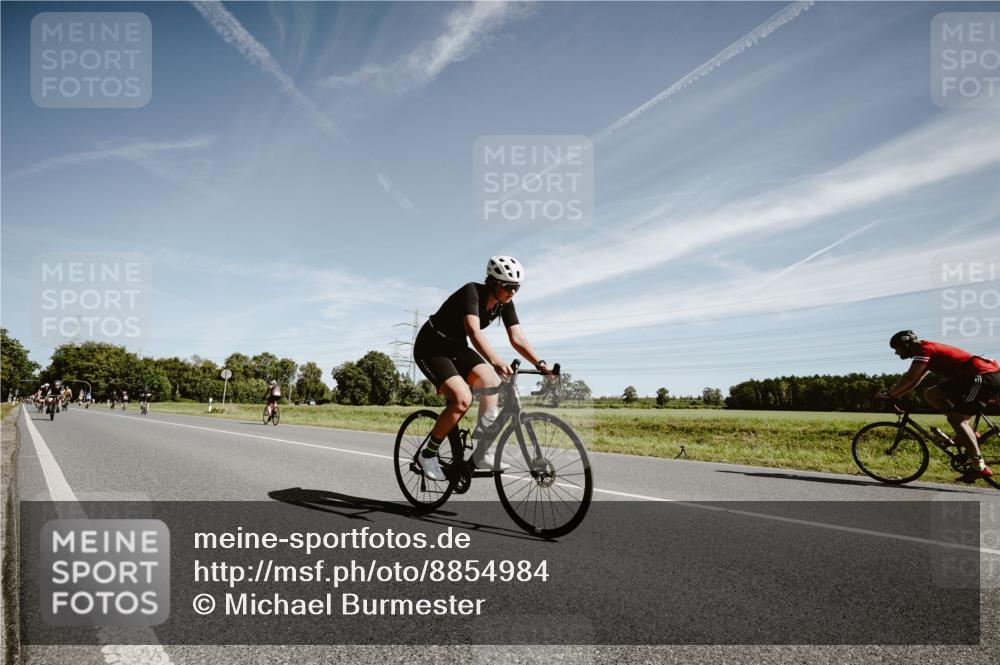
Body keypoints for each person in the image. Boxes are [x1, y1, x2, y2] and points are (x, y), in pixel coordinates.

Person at [413, 256, 552, 481]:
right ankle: (428, 454)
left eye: (516, 287)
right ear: (493, 282)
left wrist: (540, 363)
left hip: (457, 347)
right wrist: (496, 361)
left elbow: (517, 337)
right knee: (462, 399)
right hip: (431, 346)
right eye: (508, 286)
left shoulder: (505, 303)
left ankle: (482, 451)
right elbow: (473, 331)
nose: (512, 292)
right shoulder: (472, 292)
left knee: (492, 383)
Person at [882, 330, 1000, 483]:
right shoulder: (927, 350)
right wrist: (894, 396)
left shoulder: (925, 349)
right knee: (932, 394)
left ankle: (978, 465)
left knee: (958, 420)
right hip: (971, 377)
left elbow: (910, 377)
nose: (896, 353)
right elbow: (915, 380)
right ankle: (968, 434)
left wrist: (889, 395)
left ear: (906, 345)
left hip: (981, 377)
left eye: (896, 349)